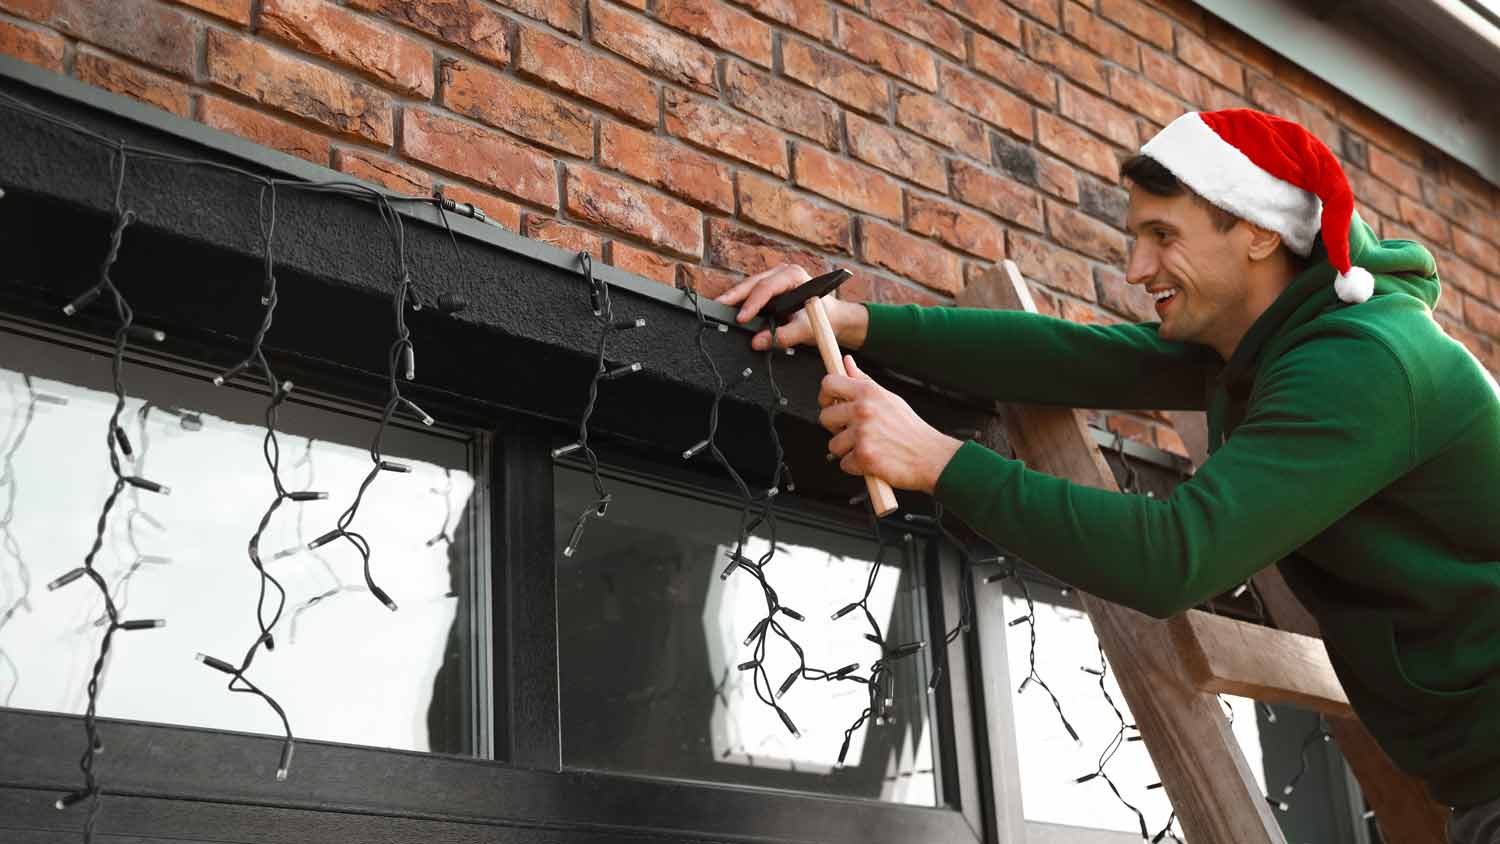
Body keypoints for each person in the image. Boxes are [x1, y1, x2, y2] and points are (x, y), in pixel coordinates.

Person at [718, 109, 1500, 842]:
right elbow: (1077, 359)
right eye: (1136, 237)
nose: (1136, 268)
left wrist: (936, 459)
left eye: (1163, 235)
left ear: (1260, 233)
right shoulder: (1268, 343)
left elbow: (1174, 556)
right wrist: (863, 322)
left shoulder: (1361, 362)